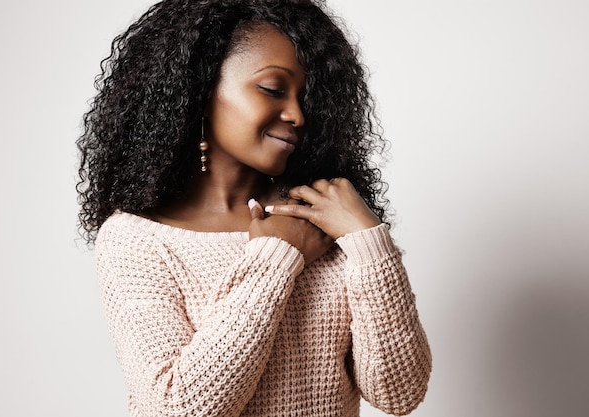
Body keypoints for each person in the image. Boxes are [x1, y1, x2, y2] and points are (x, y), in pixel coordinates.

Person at [76, 0, 432, 416]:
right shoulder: (136, 239)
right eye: (273, 89)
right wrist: (277, 258)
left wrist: (370, 243)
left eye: (305, 97)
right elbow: (177, 408)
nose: (297, 114)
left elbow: (399, 394)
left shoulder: (325, 218)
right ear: (200, 90)